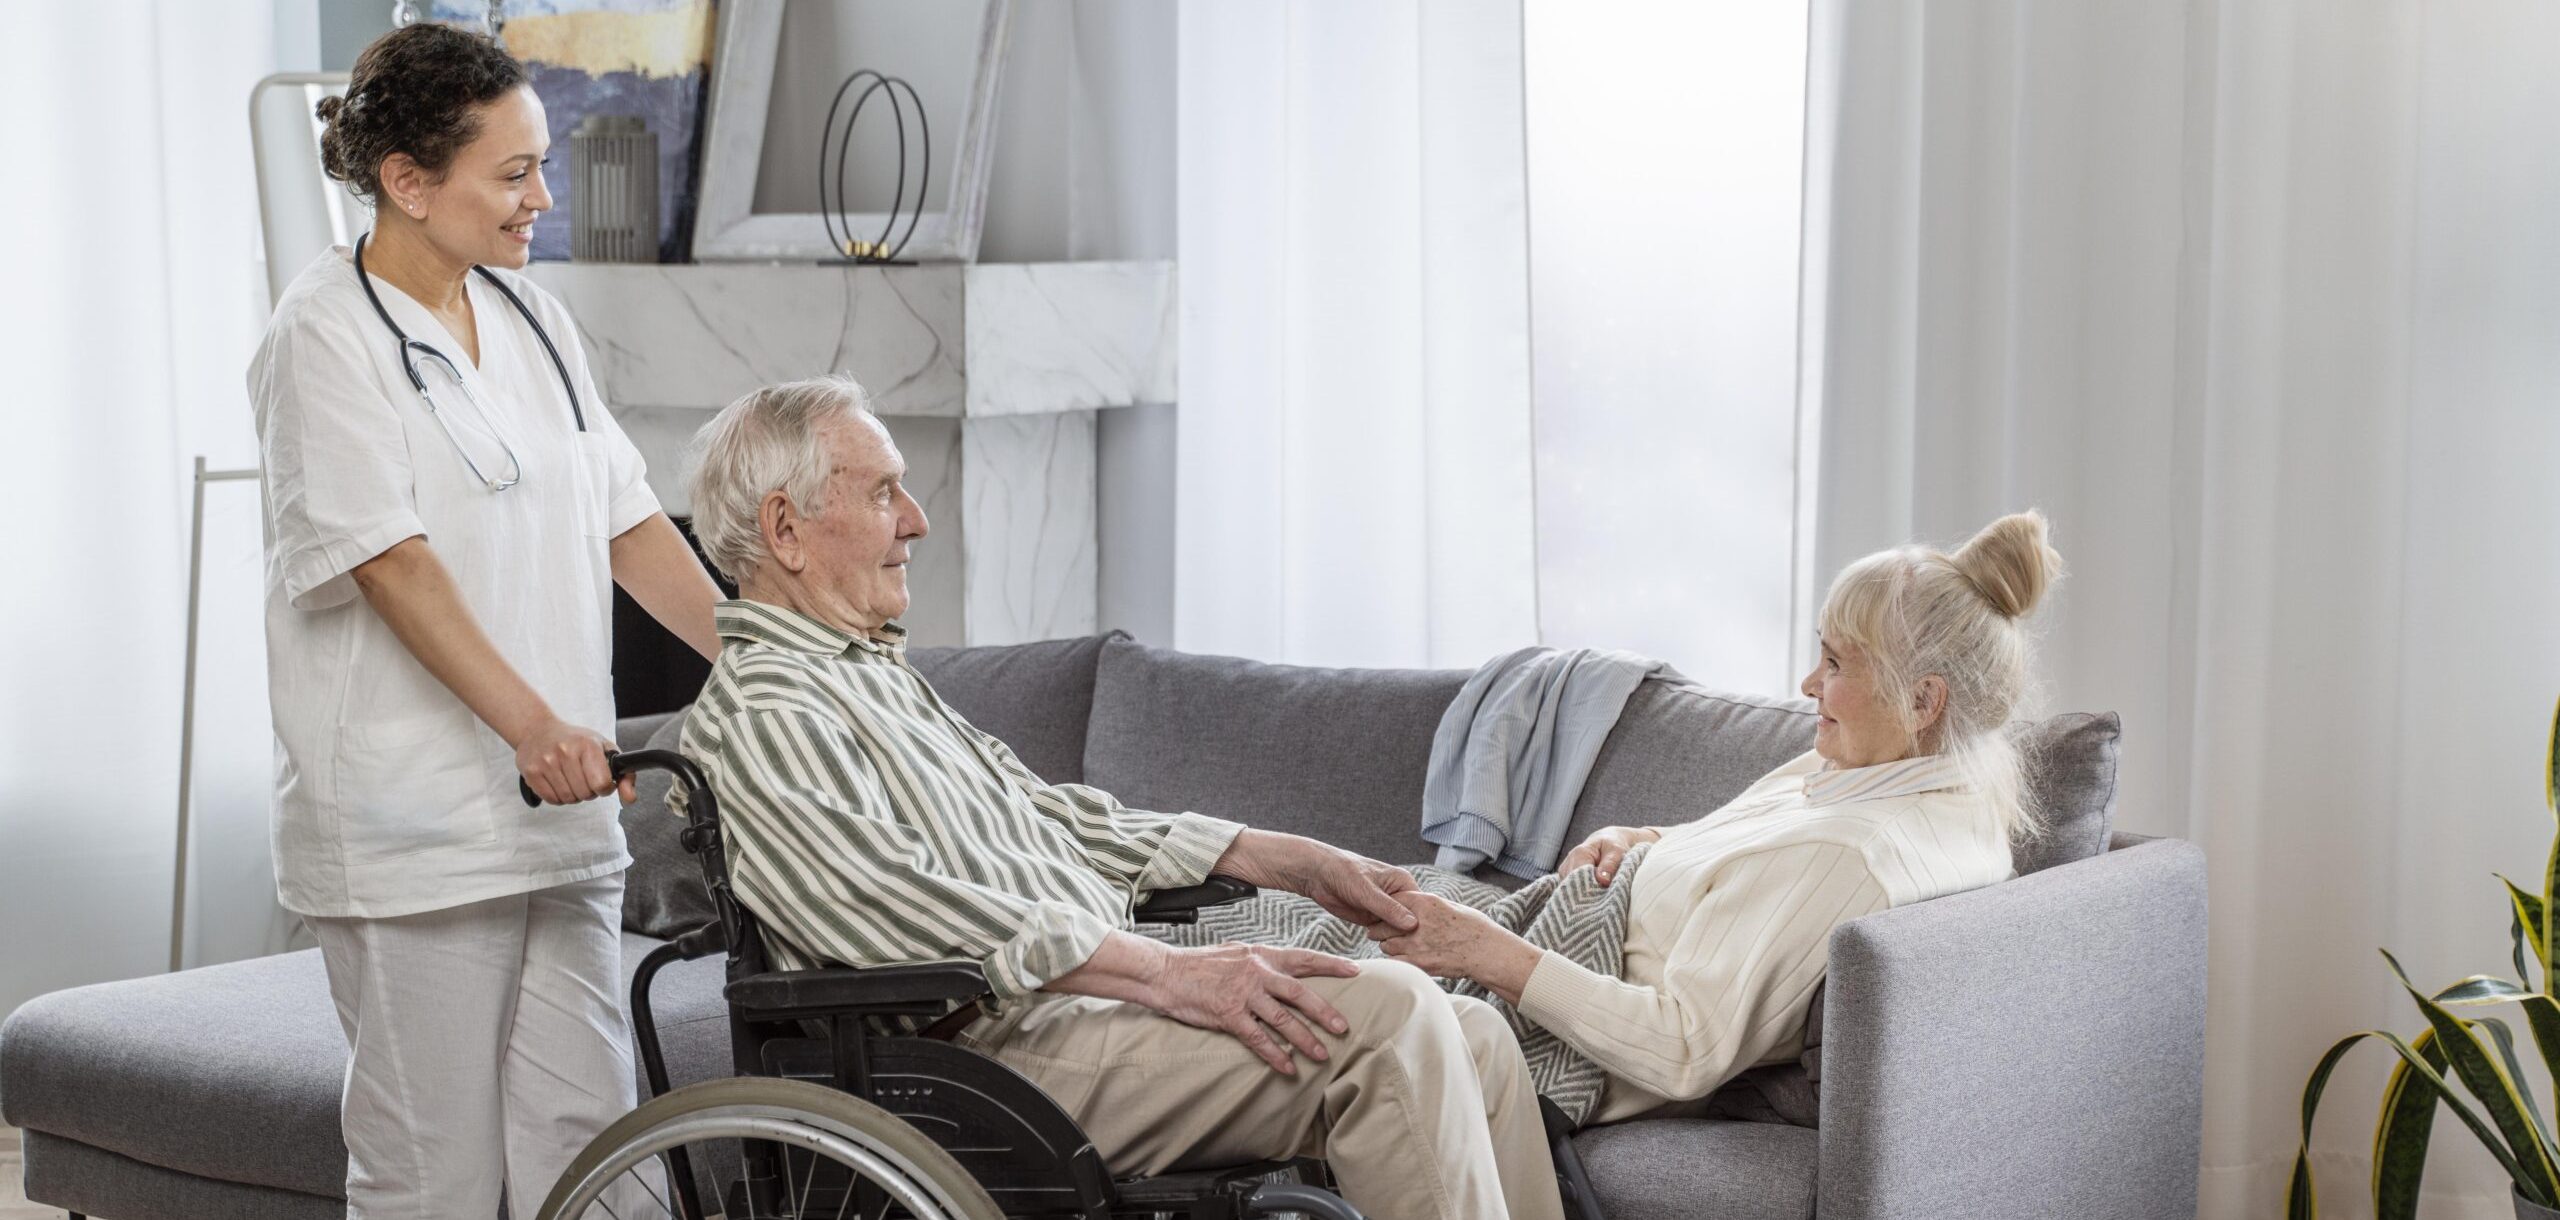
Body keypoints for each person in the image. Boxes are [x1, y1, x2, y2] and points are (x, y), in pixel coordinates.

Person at [674, 375, 1569, 1220]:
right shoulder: (765, 710)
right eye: (882, 494)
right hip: (976, 1055)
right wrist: (1170, 975)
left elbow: (1049, 818)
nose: (917, 519)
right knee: (1391, 1021)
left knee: (1473, 1034)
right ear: (785, 530)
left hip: (1067, 1017)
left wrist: (1280, 857)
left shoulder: (870, 675)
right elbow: (891, 904)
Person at [246, 23, 723, 1216]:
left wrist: (774, 663)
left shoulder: (535, 324)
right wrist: (533, 728)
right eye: (511, 174)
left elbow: (630, 523)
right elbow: (389, 563)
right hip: (414, 832)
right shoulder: (323, 334)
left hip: (562, 822)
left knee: (599, 1158)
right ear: (406, 181)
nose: (541, 199)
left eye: (540, 164)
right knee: (434, 1175)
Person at [1372, 513, 2062, 1124]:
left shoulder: (1851, 857)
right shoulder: (1888, 778)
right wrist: (1637, 839)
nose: (1809, 685)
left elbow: (1684, 1047)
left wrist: (1481, 952)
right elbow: (1747, 858)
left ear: (1922, 702)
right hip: (1566, 921)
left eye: (1834, 662)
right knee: (1317, 903)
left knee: (1311, 976)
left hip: (1557, 1024)